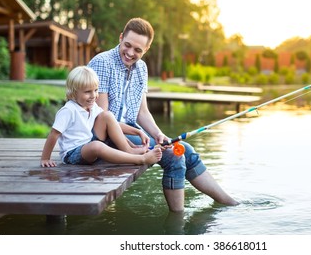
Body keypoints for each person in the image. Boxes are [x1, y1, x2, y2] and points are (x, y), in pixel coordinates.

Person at [88, 17, 238, 212]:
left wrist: (158, 135)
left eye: (138, 50)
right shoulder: (102, 63)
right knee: (175, 156)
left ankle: (227, 202)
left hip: (132, 134)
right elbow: (103, 118)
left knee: (184, 150)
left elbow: (142, 112)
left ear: (146, 50)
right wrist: (142, 135)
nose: (131, 53)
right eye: (127, 45)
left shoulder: (141, 68)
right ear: (121, 37)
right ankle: (178, 221)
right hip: (105, 138)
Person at [40, 66, 162, 168]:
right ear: (73, 93)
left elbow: (113, 123)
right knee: (97, 146)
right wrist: (45, 158)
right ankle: (140, 159)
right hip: (73, 153)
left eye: (96, 90)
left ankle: (132, 148)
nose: (94, 95)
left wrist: (138, 132)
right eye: (88, 92)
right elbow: (53, 134)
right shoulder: (68, 110)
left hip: (89, 142)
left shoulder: (92, 106)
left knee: (107, 115)